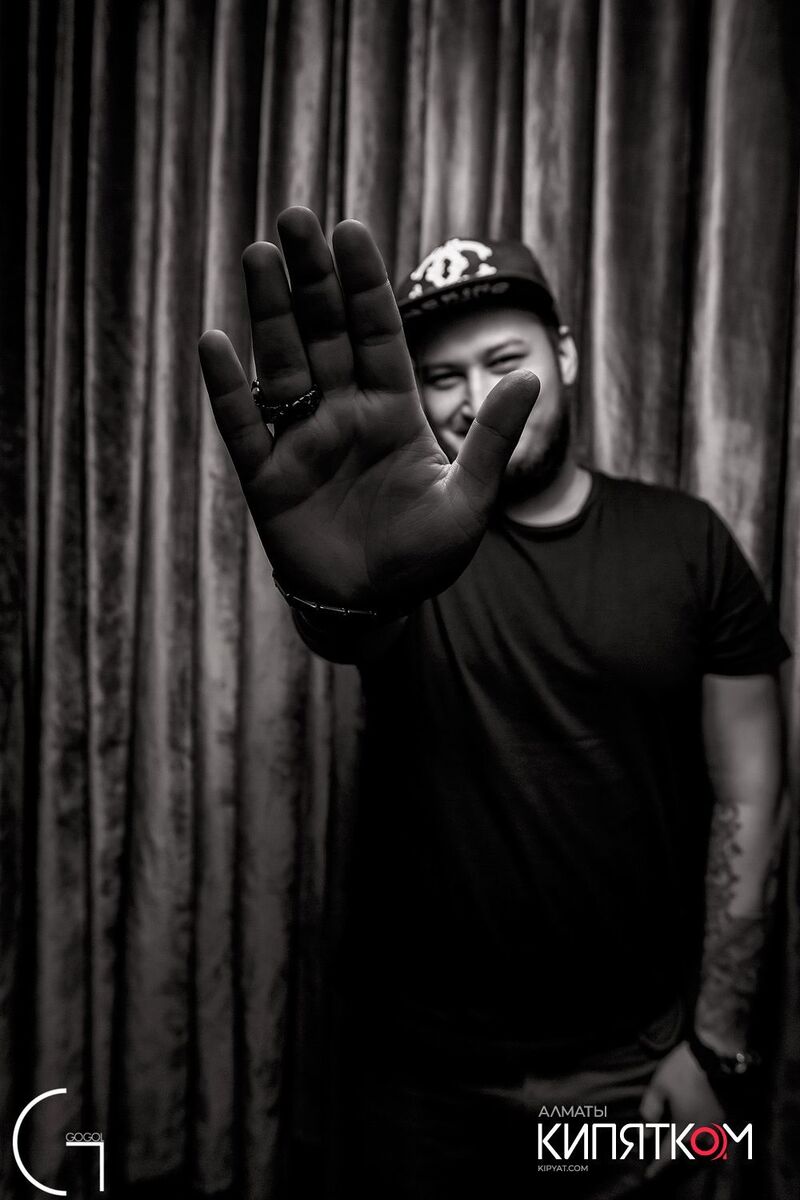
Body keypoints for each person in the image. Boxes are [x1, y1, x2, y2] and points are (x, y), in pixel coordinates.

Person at [198, 208, 790, 1198]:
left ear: (565, 354)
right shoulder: (407, 548)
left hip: (630, 1070)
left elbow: (751, 787)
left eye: (503, 360)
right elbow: (353, 627)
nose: (475, 398)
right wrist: (335, 590)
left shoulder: (687, 542)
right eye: (442, 376)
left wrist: (717, 1041)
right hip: (420, 1078)